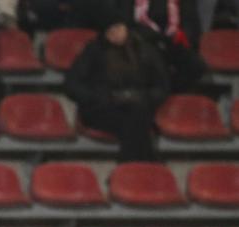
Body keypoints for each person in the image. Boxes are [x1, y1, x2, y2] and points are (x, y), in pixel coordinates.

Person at [65, 9, 170, 162]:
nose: (116, 34)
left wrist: (146, 97)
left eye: (119, 28)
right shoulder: (94, 51)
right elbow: (72, 84)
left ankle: (127, 169)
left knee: (135, 116)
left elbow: (162, 85)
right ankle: (150, 163)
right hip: (102, 108)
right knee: (137, 120)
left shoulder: (144, 49)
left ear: (126, 28)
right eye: (111, 31)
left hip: (138, 104)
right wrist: (97, 97)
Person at [117, 0, 206, 92]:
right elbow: (125, 23)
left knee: (196, 65)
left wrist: (184, 35)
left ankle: (175, 94)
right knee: (158, 69)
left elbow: (191, 22)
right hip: (144, 41)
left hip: (173, 41)